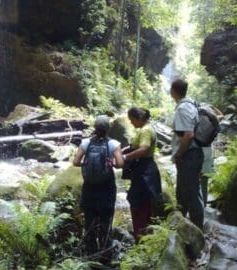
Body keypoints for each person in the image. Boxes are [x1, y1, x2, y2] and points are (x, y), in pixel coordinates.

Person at [73, 115, 124, 259]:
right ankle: (105, 252)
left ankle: (90, 250)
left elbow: (75, 162)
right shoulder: (113, 144)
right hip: (106, 187)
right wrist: (112, 163)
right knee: (106, 219)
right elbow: (120, 164)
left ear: (94, 128)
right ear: (108, 129)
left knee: (89, 218)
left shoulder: (85, 143)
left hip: (89, 186)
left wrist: (85, 164)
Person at [170, 79, 205, 229]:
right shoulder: (191, 105)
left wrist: (178, 154)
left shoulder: (183, 108)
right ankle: (181, 224)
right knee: (184, 191)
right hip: (192, 154)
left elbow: (188, 135)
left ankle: (197, 229)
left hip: (189, 155)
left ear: (173, 91)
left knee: (190, 192)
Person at [123, 106, 162, 240]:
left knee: (138, 202)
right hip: (147, 169)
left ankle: (140, 234)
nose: (131, 123)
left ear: (138, 118)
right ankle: (145, 234)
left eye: (132, 120)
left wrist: (126, 157)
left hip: (144, 170)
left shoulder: (145, 130)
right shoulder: (148, 128)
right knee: (145, 202)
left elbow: (144, 149)